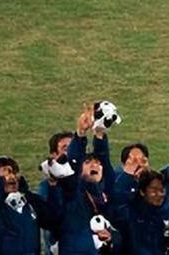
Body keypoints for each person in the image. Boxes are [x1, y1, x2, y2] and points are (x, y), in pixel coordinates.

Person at [56, 103, 119, 255]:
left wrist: (99, 133)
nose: (95, 165)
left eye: (97, 163)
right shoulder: (74, 191)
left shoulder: (108, 190)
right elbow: (74, 162)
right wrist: (81, 133)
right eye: (88, 162)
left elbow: (104, 159)